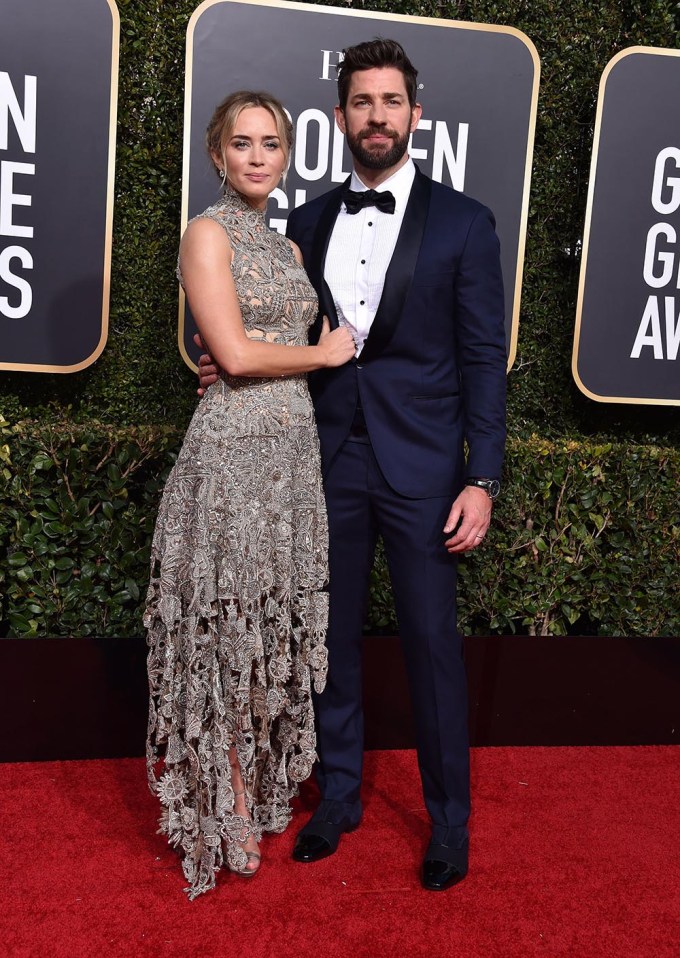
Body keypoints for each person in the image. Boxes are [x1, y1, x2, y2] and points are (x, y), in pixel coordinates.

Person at [198, 39, 507, 892]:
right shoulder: (304, 223)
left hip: (424, 471)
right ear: (340, 119)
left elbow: (484, 359)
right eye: (361, 102)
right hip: (321, 455)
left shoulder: (465, 222)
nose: (377, 116)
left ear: (416, 113)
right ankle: (336, 795)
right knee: (327, 643)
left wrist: (482, 477)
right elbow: (272, 335)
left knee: (432, 648)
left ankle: (449, 824)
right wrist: (220, 361)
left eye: (391, 101)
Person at [145, 90, 356, 899]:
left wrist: (289, 356)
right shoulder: (206, 233)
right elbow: (232, 353)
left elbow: (252, 347)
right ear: (218, 154)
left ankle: (258, 783)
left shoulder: (290, 249)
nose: (258, 156)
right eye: (243, 143)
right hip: (232, 454)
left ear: (288, 155)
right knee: (226, 625)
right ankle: (221, 799)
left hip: (292, 457)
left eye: (272, 143)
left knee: (268, 621)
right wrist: (320, 354)